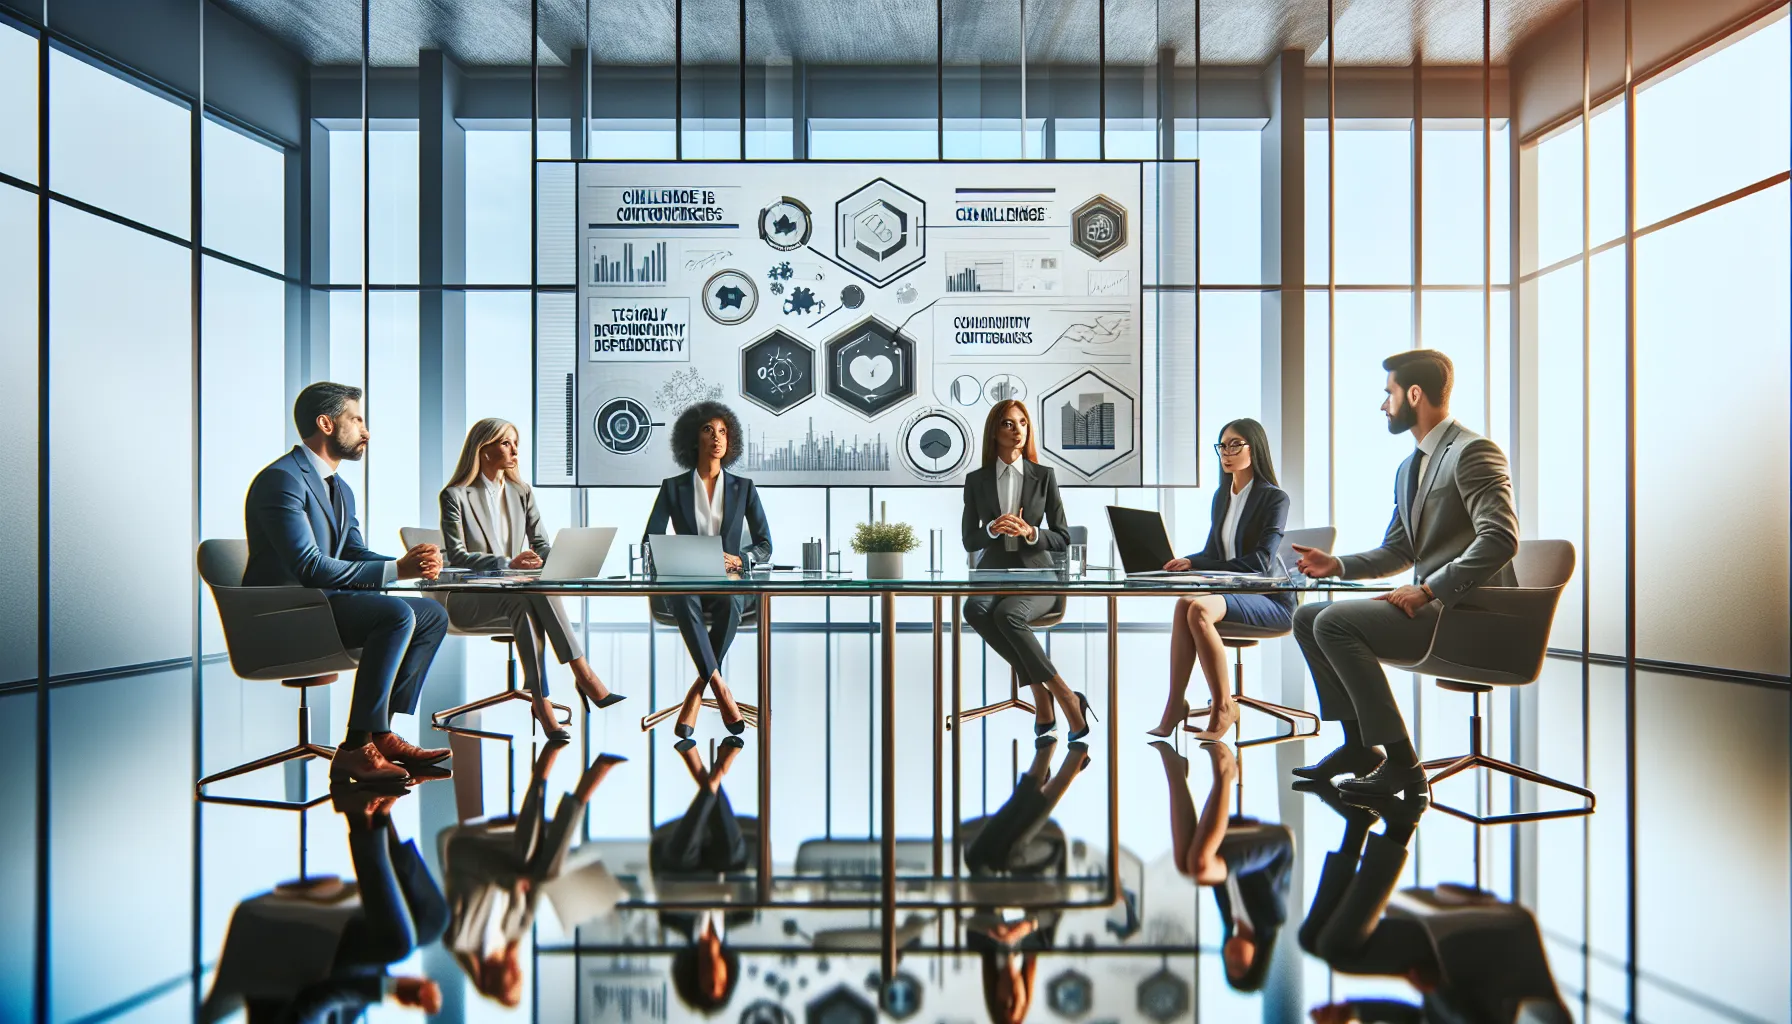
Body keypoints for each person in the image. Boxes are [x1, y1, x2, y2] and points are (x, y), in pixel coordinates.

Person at [1289, 350, 1518, 796]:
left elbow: (1500, 538)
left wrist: (1429, 590)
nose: (1384, 405)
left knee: (1334, 622)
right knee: (1307, 618)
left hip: (1471, 612)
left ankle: (1402, 765)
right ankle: (1359, 747)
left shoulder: (1472, 453)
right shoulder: (1409, 467)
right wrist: (1336, 565)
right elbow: (1399, 550)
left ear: (1414, 394)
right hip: (1436, 609)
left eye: (1389, 394)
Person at [244, 382, 450, 784]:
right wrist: (398, 572)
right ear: (325, 423)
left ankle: (379, 733)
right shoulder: (282, 480)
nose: (366, 431)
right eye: (356, 419)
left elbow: (352, 551)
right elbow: (310, 566)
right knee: (394, 615)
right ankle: (356, 748)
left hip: (325, 603)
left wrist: (409, 564)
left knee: (430, 614)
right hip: (287, 612)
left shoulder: (341, 489)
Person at [1298, 784, 1570, 1024]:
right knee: (1337, 950)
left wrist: (1353, 1012)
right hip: (1478, 964)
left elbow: (1419, 1019)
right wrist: (1437, 988)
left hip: (1450, 976)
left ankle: (1357, 824)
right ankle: (1399, 825)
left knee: (1311, 939)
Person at [438, 417, 625, 739]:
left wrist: (569, 559)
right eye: (506, 443)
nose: (514, 451)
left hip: (516, 594)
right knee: (527, 594)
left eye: (515, 444)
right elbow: (456, 556)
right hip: (469, 598)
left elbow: (541, 545)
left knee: (526, 597)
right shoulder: (455, 495)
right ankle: (583, 672)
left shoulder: (520, 492)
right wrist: (509, 562)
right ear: (484, 450)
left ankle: (541, 700)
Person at [202, 786, 447, 1023]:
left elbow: (316, 1000)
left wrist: (390, 989)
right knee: (432, 922)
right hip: (329, 965)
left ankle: (359, 812)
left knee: (398, 944)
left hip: (285, 960)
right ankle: (379, 806)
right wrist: (395, 987)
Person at [440, 742, 627, 1007]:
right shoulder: (517, 930)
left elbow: (453, 934)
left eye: (510, 983)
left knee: (525, 868)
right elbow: (538, 886)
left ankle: (554, 778)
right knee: (543, 875)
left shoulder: (460, 940)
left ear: (490, 985)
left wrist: (475, 976)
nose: (517, 975)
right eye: (520, 982)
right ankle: (574, 785)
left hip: (469, 856)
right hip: (510, 856)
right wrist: (520, 884)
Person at [1147, 417, 1295, 739]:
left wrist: (1207, 572)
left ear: (1254, 448)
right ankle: (1175, 705)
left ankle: (1223, 706)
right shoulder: (1222, 497)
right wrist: (1189, 561)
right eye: (1222, 445)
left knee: (1199, 609)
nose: (1226, 452)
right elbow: (1215, 552)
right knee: (1184, 603)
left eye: (1235, 444)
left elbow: (1260, 561)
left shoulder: (1274, 498)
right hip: (1234, 595)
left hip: (1270, 600)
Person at [960, 400, 1090, 741]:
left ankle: (1059, 694)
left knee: (1008, 615)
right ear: (995, 432)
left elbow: (1062, 537)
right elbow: (969, 541)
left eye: (1023, 422)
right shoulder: (977, 480)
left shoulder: (1043, 476)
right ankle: (1050, 692)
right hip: (993, 572)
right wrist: (991, 529)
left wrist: (1030, 532)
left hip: (1038, 576)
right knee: (973, 609)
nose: (1018, 430)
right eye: (1008, 423)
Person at [642, 401, 772, 737]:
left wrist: (740, 560)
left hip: (727, 583)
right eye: (708, 430)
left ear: (731, 441)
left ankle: (696, 693)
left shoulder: (743, 488)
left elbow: (765, 544)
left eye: (723, 432)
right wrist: (674, 554)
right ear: (693, 439)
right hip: (686, 581)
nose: (717, 437)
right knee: (684, 598)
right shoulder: (673, 487)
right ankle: (722, 689)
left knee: (730, 604)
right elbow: (649, 541)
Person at [1150, 740, 1293, 992]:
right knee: (1200, 868)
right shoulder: (1272, 918)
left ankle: (1175, 770)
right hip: (1276, 846)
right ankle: (1225, 772)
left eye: (1228, 965)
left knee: (1189, 868)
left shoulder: (1230, 915)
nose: (1233, 959)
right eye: (1241, 965)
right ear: (1257, 958)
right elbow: (1261, 867)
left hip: (1232, 846)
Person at [654, 735, 755, 1015]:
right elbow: (742, 877)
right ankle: (709, 774)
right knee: (733, 855)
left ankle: (714, 774)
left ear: (693, 977)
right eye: (719, 982)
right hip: (725, 859)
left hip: (685, 860)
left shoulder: (672, 919)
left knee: (678, 858)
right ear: (727, 973)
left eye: (706, 983)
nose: (712, 976)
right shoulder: (742, 916)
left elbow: (667, 881)